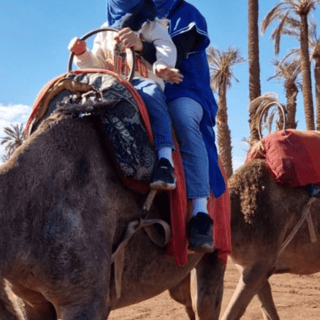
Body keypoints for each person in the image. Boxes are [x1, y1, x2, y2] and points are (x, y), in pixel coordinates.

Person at [68, 0, 183, 191]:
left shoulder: (152, 25)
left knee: (152, 92)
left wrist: (161, 64)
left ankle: (165, 161)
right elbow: (98, 68)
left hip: (140, 82)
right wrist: (82, 54)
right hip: (111, 84)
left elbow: (166, 49)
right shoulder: (104, 30)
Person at [142, 0, 227, 252]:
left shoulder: (188, 15)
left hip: (186, 90)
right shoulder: (140, 15)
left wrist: (138, 46)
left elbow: (174, 55)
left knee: (181, 116)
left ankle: (200, 213)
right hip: (150, 87)